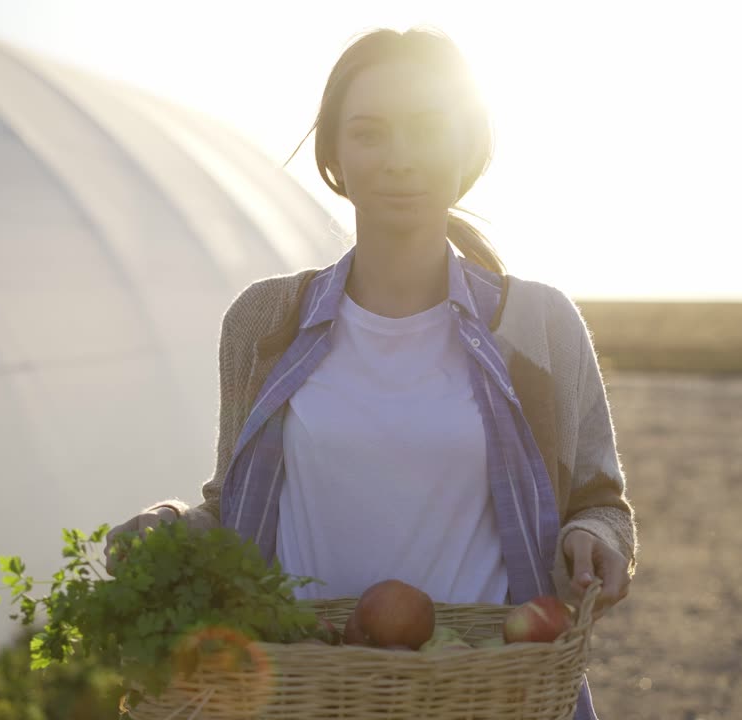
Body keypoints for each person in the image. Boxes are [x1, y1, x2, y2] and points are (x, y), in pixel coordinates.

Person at [104, 27, 636, 720]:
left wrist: (594, 541)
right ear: (334, 156)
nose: (400, 159)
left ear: (467, 147)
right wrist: (171, 528)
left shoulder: (539, 325)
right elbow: (234, 512)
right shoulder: (264, 323)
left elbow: (599, 503)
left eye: (428, 129)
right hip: (302, 693)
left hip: (486, 693)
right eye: (369, 133)